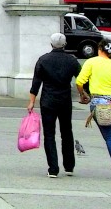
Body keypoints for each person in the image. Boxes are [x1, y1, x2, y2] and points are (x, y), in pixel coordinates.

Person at [27, 33, 82, 178]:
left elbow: (36, 82)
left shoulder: (43, 60)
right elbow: (81, 79)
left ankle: (53, 168)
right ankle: (69, 166)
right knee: (66, 132)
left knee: (49, 134)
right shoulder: (72, 60)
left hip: (48, 101)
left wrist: (32, 101)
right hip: (65, 100)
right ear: (65, 44)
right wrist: (85, 94)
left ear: (51, 44)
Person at [76, 39, 111, 181]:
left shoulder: (91, 62)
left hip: (101, 103)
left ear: (100, 48)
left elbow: (80, 81)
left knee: (110, 137)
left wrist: (83, 94)